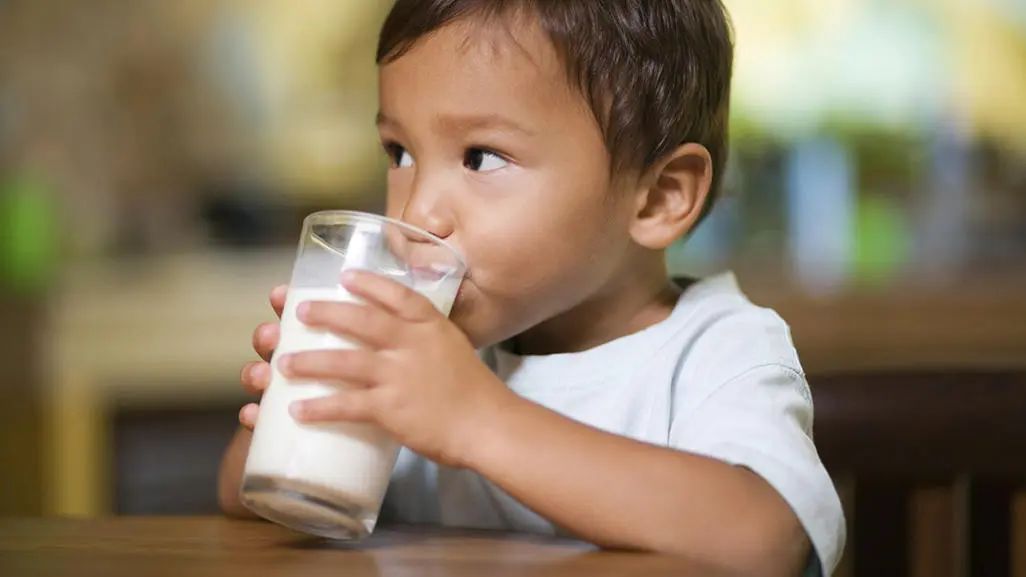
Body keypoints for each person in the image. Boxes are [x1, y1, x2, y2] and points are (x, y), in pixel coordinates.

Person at [219, 2, 845, 575]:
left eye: (481, 157)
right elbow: (245, 500)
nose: (417, 214)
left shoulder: (713, 351)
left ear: (658, 196)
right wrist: (295, 415)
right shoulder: (432, 354)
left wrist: (475, 420)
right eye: (400, 152)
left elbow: (767, 539)